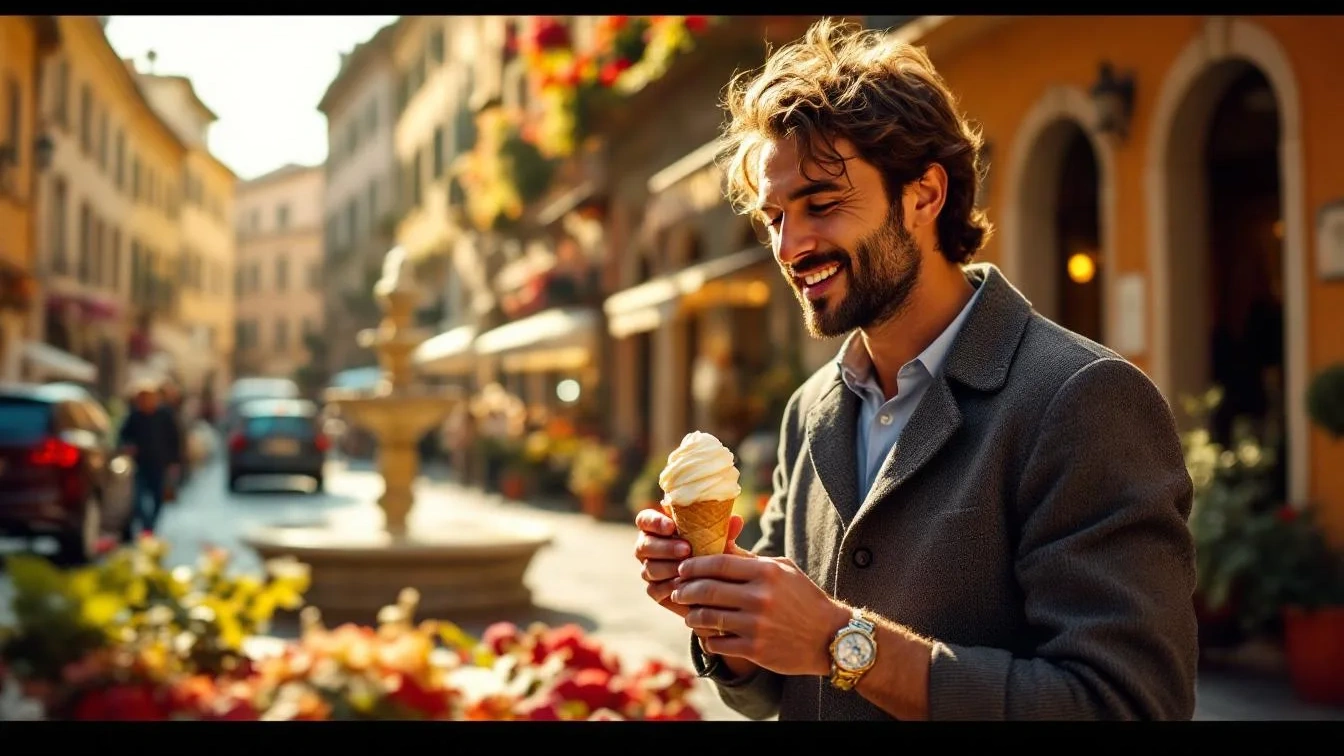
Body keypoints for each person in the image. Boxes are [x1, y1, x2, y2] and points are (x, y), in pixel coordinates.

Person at [633, 18, 1198, 721]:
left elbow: (1127, 703)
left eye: (822, 203)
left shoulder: (1084, 399)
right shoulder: (811, 410)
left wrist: (841, 642)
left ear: (924, 196)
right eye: (775, 216)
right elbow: (770, 686)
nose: (791, 245)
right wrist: (720, 606)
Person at [118, 381, 182, 539]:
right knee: (138, 500)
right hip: (140, 464)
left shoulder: (164, 415)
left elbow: (174, 439)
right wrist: (128, 446)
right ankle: (147, 527)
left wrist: (174, 462)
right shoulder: (134, 416)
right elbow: (123, 436)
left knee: (158, 497)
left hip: (159, 464)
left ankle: (150, 526)